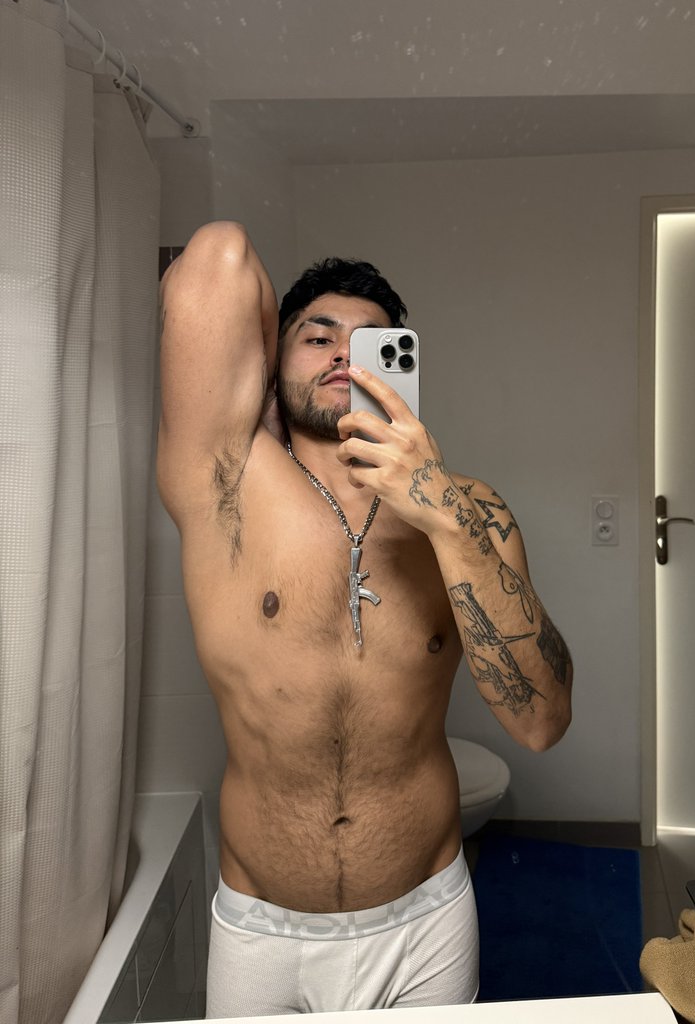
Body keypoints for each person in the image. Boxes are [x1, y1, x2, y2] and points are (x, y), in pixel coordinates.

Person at [157, 220, 573, 1017]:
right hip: (262, 932)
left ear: (404, 369)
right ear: (271, 361)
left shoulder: (470, 510)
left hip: (427, 921)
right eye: (318, 339)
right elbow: (218, 258)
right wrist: (265, 400)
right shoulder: (225, 481)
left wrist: (440, 512)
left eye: (375, 346)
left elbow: (542, 721)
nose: (345, 357)